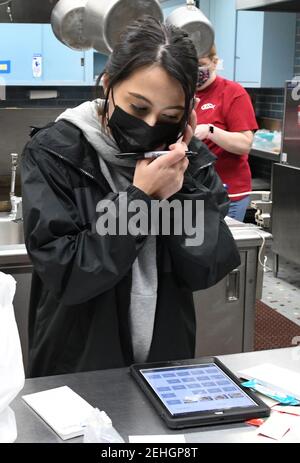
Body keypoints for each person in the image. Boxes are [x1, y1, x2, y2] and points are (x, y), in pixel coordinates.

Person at [21, 17, 240, 377]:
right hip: (77, 363)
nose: (151, 125)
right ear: (108, 84)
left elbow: (206, 268)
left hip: (165, 364)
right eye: (138, 108)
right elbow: (70, 274)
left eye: (169, 115)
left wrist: (180, 186)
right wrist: (140, 199)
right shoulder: (56, 152)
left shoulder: (189, 161)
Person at [195, 45, 258, 222]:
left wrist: (210, 131)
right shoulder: (183, 94)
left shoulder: (233, 93)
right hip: (195, 191)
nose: (195, 70)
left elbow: (244, 144)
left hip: (229, 192)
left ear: (214, 63)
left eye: (201, 64)